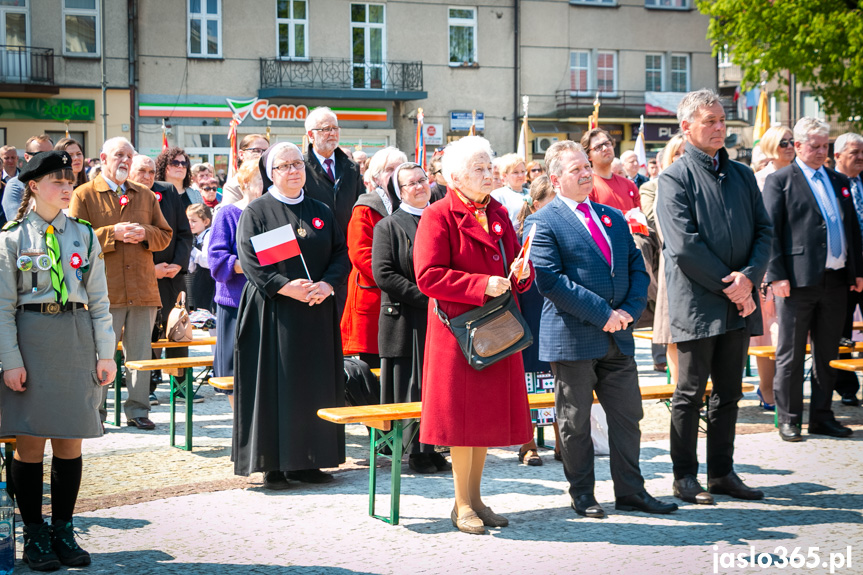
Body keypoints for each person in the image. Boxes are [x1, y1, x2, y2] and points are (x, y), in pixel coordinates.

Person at [526, 140, 677, 518]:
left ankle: (631, 492)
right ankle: (583, 494)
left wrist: (627, 310)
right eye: (575, 168)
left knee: (627, 418)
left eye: (586, 166)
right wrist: (602, 314)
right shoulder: (542, 221)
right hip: (573, 338)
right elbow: (550, 280)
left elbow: (637, 267)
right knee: (575, 422)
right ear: (556, 178)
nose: (585, 172)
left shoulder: (610, 216)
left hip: (619, 337)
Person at [0, 151, 116, 570]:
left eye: (70, 180)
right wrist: (10, 361)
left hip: (76, 338)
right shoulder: (13, 238)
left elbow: (101, 302)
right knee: (30, 441)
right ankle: (34, 532)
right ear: (33, 185)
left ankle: (63, 529)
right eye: (56, 180)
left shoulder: (84, 234)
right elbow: (3, 307)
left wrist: (106, 354)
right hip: (31, 340)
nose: (67, 187)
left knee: (70, 438)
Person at [656, 89, 772, 504]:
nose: (719, 127)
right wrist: (735, 285)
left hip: (739, 302)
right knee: (689, 392)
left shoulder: (741, 175)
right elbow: (684, 246)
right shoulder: (674, 178)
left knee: (729, 392)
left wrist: (750, 278)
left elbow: (764, 231)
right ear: (686, 127)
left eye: (722, 120)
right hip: (699, 303)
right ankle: (684, 476)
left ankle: (723, 472)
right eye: (709, 121)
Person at [414, 136, 533, 535]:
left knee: (482, 420)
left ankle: (476, 498)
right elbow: (428, 277)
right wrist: (481, 285)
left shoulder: (497, 211)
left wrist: (522, 275)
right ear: (454, 177)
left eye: (489, 166)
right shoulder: (438, 215)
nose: (489, 174)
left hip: (496, 328)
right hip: (459, 333)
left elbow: (514, 261)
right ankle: (461, 503)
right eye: (479, 169)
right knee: (461, 423)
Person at [233, 142, 350, 490]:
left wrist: (328, 285)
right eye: (284, 166)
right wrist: (286, 287)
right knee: (278, 386)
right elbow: (251, 262)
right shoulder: (258, 211)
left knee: (314, 386)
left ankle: (310, 460)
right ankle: (275, 464)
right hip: (274, 312)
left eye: (298, 164)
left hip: (316, 310)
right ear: (271, 172)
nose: (294, 171)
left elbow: (340, 254)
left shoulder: (320, 209)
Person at [763, 117, 863, 442]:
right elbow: (771, 232)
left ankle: (822, 415)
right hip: (796, 281)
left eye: (826, 146)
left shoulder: (837, 180)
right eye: (815, 146)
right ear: (798, 146)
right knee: (790, 353)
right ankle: (789, 418)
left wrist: (856, 271)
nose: (822, 152)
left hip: (835, 281)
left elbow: (851, 229)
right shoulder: (780, 180)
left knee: (828, 352)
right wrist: (776, 275)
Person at [69, 137, 173, 430]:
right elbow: (74, 242)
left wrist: (145, 233)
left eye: (130, 156)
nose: (125, 161)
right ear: (103, 158)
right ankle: (95, 412)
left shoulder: (145, 194)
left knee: (140, 355)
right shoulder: (84, 194)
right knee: (102, 353)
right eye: (119, 155)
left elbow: (165, 235)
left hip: (142, 289)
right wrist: (111, 233)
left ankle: (138, 410)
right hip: (104, 291)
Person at [372, 162, 450, 474]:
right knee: (410, 387)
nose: (419, 187)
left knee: (435, 387)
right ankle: (411, 451)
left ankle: (430, 447)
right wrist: (428, 296)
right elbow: (384, 274)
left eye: (422, 180)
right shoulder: (388, 226)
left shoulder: (442, 219)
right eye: (411, 184)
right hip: (406, 318)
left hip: (440, 318)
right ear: (399, 191)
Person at [129, 154, 195, 406]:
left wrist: (178, 264)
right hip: (142, 277)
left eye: (150, 171)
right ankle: (150, 384)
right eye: (141, 171)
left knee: (177, 330)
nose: (147, 176)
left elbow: (184, 233)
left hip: (172, 276)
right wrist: (149, 269)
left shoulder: (167, 191)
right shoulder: (125, 195)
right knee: (147, 334)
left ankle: (180, 386)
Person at [340, 147, 406, 367]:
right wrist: (396, 279)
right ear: (376, 177)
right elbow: (360, 254)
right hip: (374, 296)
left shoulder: (414, 205)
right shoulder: (365, 207)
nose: (396, 174)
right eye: (390, 169)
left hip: (404, 297)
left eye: (401, 168)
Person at [208, 159, 263, 410]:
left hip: (267, 300)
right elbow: (216, 260)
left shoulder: (272, 213)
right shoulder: (228, 213)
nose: (266, 184)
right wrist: (249, 264)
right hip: (235, 301)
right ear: (244, 184)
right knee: (233, 371)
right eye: (260, 179)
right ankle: (240, 429)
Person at [514, 175, 560, 466]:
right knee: (529, 378)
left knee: (556, 378)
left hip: (557, 308)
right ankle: (527, 442)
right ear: (535, 205)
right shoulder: (525, 233)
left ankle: (561, 438)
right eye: (550, 204)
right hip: (531, 308)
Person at [750, 126, 796, 411]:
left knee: (790, 332)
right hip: (767, 267)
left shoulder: (803, 177)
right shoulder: (758, 181)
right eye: (783, 142)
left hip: (797, 266)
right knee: (768, 332)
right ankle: (767, 389)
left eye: (793, 142)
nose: (790, 146)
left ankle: (785, 388)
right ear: (770, 146)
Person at [302, 106, 363, 314]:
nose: (333, 133)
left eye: (335, 128)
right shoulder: (300, 167)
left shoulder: (351, 168)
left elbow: (359, 207)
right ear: (311, 135)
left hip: (346, 251)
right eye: (326, 128)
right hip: (314, 251)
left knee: (344, 314)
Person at [640, 135, 686, 383]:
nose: (683, 158)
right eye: (677, 153)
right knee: (674, 339)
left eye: (687, 152)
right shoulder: (652, 187)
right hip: (668, 268)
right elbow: (653, 224)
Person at [832, 132, 863, 407]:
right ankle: (846, 387)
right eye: (855, 152)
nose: (861, 157)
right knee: (842, 331)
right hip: (844, 271)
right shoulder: (830, 184)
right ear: (838, 155)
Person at [2, 135, 54, 223]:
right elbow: (17, 222)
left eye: (51, 154)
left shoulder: (60, 182)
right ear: (26, 157)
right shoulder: (15, 185)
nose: (46, 159)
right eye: (40, 154)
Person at [221, 134, 269, 205]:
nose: (262, 155)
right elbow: (231, 213)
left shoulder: (275, 179)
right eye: (256, 151)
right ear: (241, 154)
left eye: (266, 151)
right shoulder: (233, 186)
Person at [186, 203, 216, 312]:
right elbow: (191, 268)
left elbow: (207, 261)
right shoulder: (195, 238)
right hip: (198, 282)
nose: (190, 224)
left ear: (206, 222)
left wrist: (191, 249)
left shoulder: (209, 236)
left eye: (194, 221)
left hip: (209, 282)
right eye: (188, 221)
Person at [491, 153, 530, 230]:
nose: (520, 175)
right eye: (515, 172)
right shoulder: (498, 195)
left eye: (523, 171)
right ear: (505, 175)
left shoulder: (531, 192)